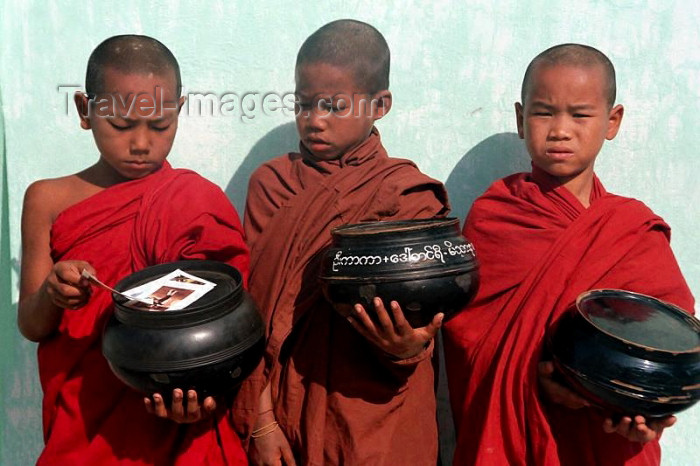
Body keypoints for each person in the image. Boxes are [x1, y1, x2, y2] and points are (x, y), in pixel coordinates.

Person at [442, 43, 695, 466]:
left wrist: (644, 405)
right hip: (516, 436)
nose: (560, 130)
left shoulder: (632, 230)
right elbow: (470, 339)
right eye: (544, 112)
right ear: (520, 119)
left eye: (579, 115)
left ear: (612, 122)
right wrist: (538, 379)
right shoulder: (496, 217)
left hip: (606, 440)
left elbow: (669, 336)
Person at [18, 35, 250, 465]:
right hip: (86, 426)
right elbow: (30, 325)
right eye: (122, 126)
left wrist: (202, 395)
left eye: (160, 126)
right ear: (85, 112)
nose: (141, 143)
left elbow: (229, 328)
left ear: (179, 112)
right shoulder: (48, 200)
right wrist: (52, 293)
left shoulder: (195, 202)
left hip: (181, 424)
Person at [232, 19, 450, 466]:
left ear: (380, 104)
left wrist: (408, 345)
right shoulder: (273, 185)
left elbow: (421, 321)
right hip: (284, 414)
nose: (314, 121)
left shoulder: (406, 195)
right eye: (303, 104)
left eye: (333, 106)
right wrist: (262, 421)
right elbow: (253, 313)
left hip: (376, 415)